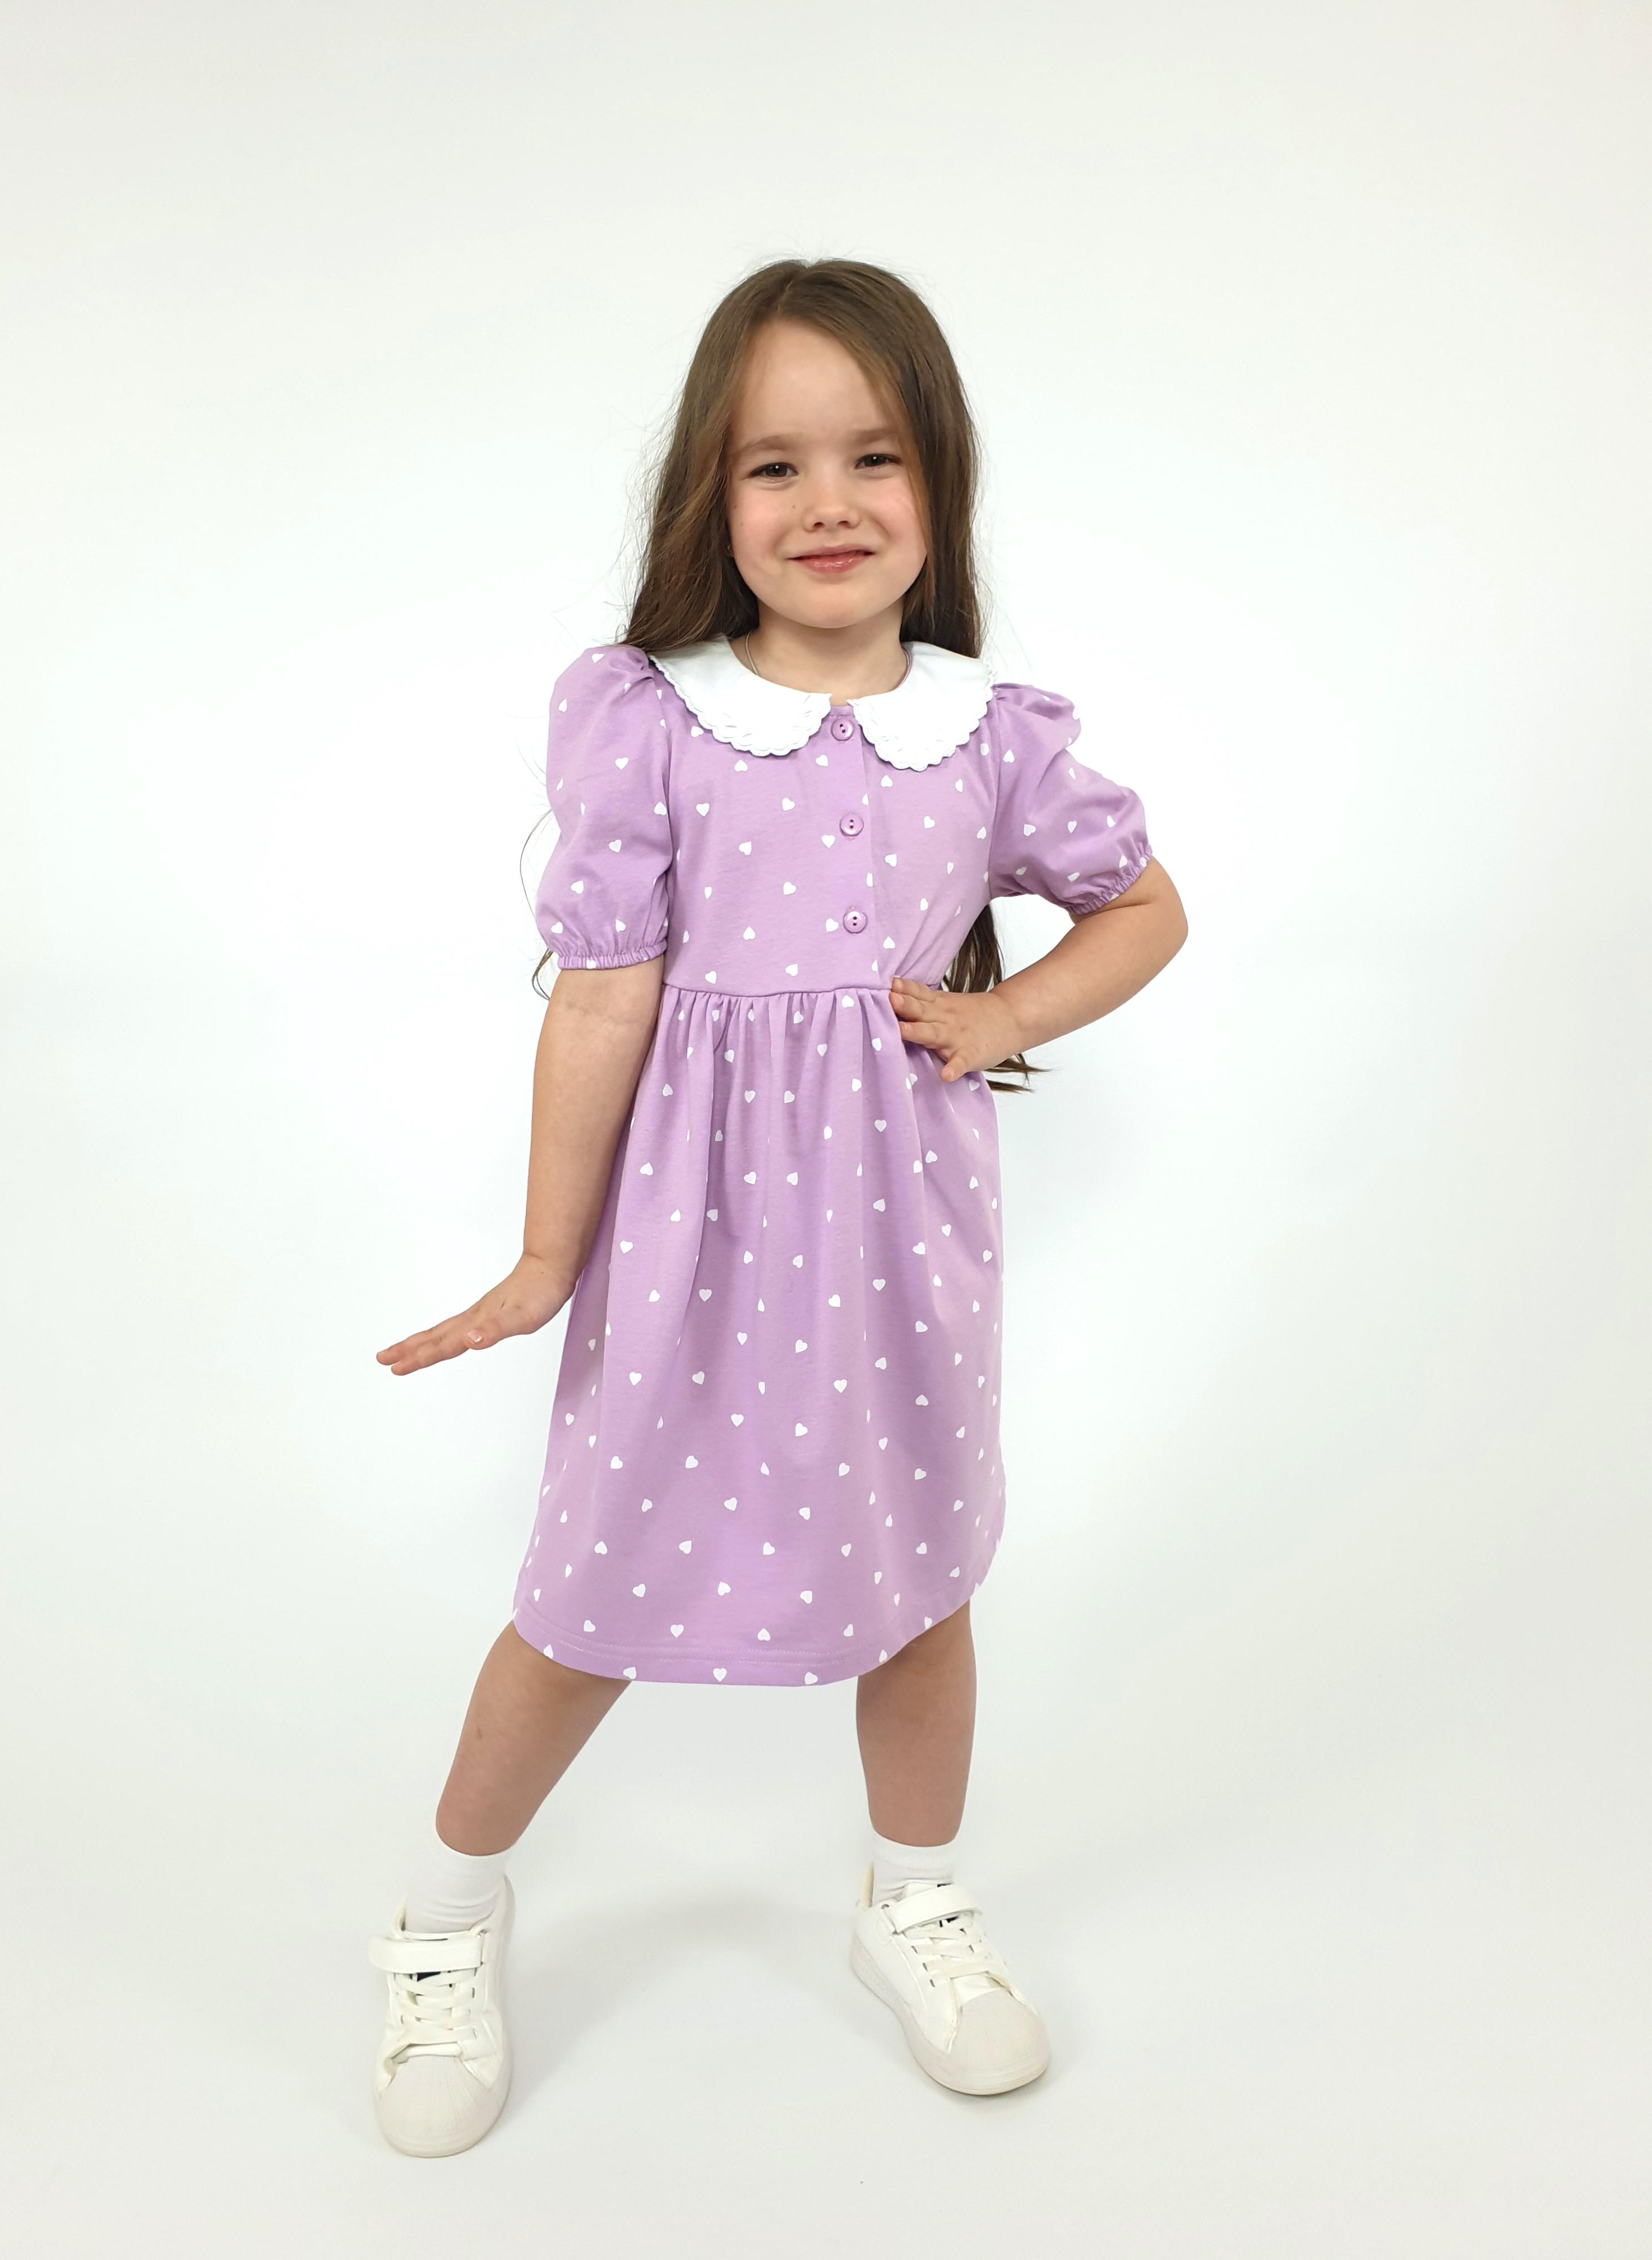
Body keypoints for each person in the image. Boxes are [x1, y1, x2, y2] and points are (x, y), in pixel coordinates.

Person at [365, 256, 1188, 2156]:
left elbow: (1144, 907)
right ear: (709, 498)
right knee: (585, 1594)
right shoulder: (651, 718)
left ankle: (916, 1900)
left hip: (901, 1250)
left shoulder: (989, 733)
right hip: (690, 1249)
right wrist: (545, 1259)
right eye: (774, 466)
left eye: (874, 457)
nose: (829, 502)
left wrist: (1001, 1018)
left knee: (919, 1583)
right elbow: (602, 1002)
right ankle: (443, 1920)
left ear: (939, 484)